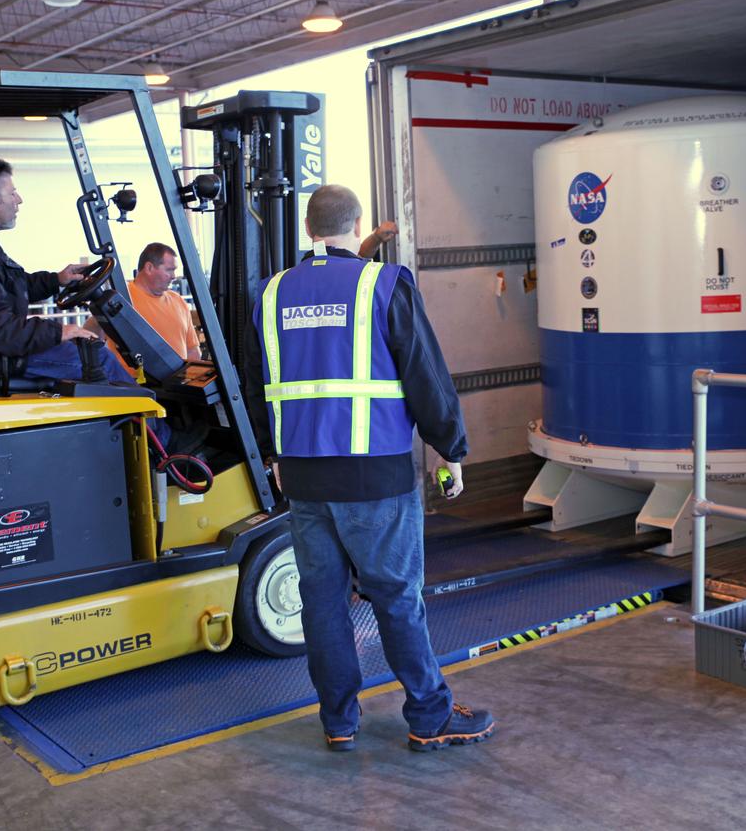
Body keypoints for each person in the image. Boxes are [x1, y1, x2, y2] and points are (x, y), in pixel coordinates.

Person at [244, 185, 492, 753]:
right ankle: (429, 715)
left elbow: (260, 387)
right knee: (396, 598)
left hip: (304, 479)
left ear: (309, 229)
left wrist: (272, 455)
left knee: (323, 603)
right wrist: (450, 448)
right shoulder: (384, 284)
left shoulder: (271, 293)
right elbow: (425, 375)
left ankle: (338, 721)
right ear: (357, 227)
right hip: (374, 476)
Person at [0, 158, 130, 386]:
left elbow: (5, 286)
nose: (19, 200)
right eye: (13, 193)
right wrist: (59, 331)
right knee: (100, 359)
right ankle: (154, 421)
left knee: (90, 350)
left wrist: (56, 280)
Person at [113, 242, 201, 369]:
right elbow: (93, 330)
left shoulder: (178, 301)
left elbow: (192, 350)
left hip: (173, 384)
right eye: (169, 270)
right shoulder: (121, 298)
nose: (174, 276)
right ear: (149, 268)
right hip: (133, 385)